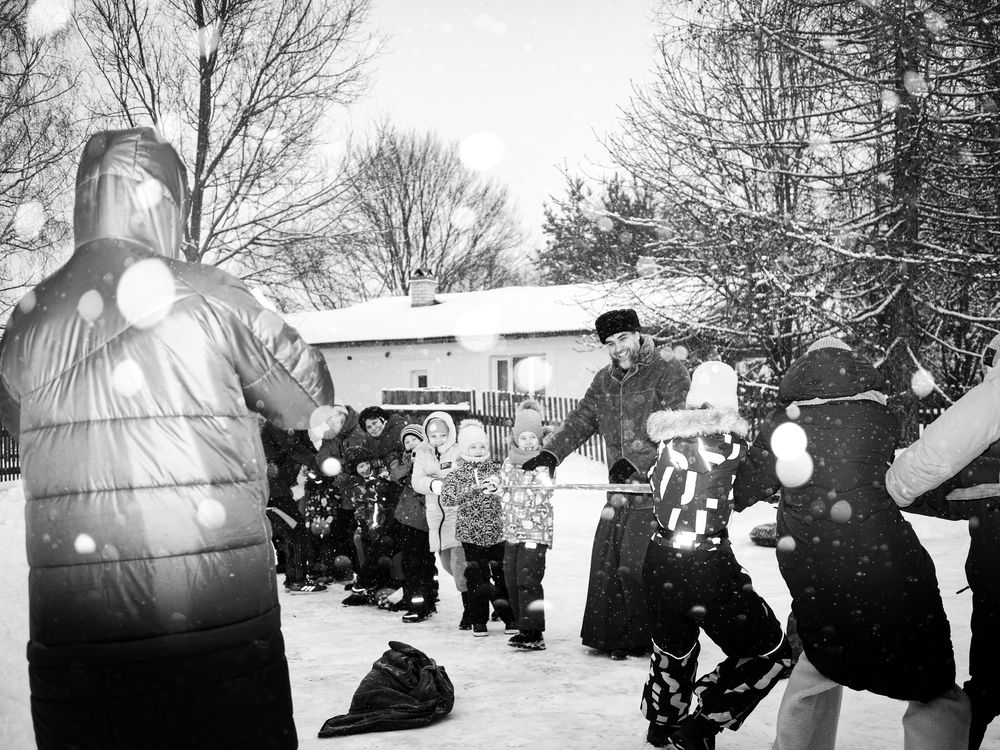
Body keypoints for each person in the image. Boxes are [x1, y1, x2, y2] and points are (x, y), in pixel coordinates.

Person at [0, 127, 336, 750]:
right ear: (168, 202)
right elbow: (310, 395)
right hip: (211, 608)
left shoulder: (25, 320)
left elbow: (16, 420)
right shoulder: (208, 293)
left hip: (75, 629)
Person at [733, 337, 969, 750]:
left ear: (804, 370)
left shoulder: (784, 423)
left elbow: (744, 488)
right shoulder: (881, 415)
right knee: (930, 683)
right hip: (890, 564)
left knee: (818, 662)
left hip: (816, 565)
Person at [522, 308, 691, 659]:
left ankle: (649, 636)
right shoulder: (604, 380)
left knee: (638, 563)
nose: (618, 349)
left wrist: (640, 460)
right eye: (610, 343)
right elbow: (581, 419)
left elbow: (681, 424)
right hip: (619, 491)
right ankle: (615, 636)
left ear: (638, 334)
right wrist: (551, 454)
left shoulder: (667, 369)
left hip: (657, 489)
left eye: (623, 339)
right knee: (608, 564)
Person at [641, 362, 793, 749]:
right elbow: (745, 493)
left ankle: (662, 722)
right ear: (731, 403)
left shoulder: (663, 443)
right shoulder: (733, 447)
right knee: (771, 651)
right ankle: (701, 725)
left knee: (673, 644)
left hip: (659, 557)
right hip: (707, 565)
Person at [886, 333, 1000, 749]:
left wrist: (891, 490)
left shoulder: (995, 393)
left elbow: (938, 453)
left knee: (990, 673)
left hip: (997, 559)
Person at [441, 419, 516, 636]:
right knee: (477, 578)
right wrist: (470, 489)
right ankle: (478, 620)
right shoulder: (456, 473)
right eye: (472, 447)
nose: (478, 450)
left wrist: (498, 488)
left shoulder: (495, 468)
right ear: (464, 448)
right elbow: (447, 497)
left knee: (502, 576)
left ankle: (509, 617)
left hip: (496, 532)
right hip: (470, 535)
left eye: (481, 446)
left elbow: (507, 490)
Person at [497, 400, 554, 651]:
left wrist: (513, 491)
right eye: (524, 437)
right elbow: (501, 487)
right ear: (515, 439)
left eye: (533, 437)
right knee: (510, 577)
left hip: (534, 531)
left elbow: (541, 494)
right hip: (511, 530)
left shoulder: (545, 462)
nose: (529, 442)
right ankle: (522, 627)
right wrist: (495, 486)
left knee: (527, 579)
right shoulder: (509, 462)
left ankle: (534, 632)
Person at [411, 410, 470, 628]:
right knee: (447, 565)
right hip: (436, 517)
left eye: (442, 435)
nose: (438, 440)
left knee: (459, 565)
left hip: (457, 513)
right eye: (434, 435)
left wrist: (445, 481)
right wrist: (434, 484)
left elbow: (462, 476)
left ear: (450, 433)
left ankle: (470, 609)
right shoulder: (422, 452)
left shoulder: (458, 451)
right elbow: (417, 480)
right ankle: (485, 592)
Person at [262, 422, 327, 593]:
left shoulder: (295, 421)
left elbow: (304, 446)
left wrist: (316, 464)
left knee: (293, 532)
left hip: (280, 489)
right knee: (297, 531)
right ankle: (298, 581)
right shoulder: (278, 421)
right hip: (274, 492)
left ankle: (293, 579)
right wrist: (314, 462)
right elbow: (292, 447)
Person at [390, 423, 440, 623]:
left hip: (420, 519)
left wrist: (414, 464)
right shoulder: (407, 460)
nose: (411, 444)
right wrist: (408, 463)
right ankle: (425, 601)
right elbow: (396, 476)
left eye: (414, 440)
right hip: (407, 518)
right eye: (407, 441)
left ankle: (418, 605)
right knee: (416, 562)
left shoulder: (428, 459)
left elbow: (419, 484)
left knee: (416, 564)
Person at [341, 444, 396, 607]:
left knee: (379, 550)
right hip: (370, 526)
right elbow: (360, 509)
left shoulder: (382, 477)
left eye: (365, 464)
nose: (364, 469)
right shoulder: (357, 488)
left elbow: (387, 502)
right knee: (360, 540)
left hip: (387, 524)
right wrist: (365, 525)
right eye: (360, 467)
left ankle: (366, 584)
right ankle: (368, 583)